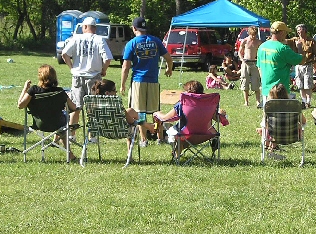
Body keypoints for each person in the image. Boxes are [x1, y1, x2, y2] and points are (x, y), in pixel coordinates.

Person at [120, 17, 173, 146]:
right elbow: (168, 58)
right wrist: (169, 69)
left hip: (138, 81)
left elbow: (126, 67)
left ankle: (144, 140)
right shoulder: (155, 41)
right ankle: (160, 138)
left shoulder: (132, 43)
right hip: (153, 81)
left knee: (139, 111)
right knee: (155, 110)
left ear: (134, 28)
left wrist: (122, 84)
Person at [62, 16, 113, 141]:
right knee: (93, 107)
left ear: (84, 27)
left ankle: (71, 135)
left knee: (75, 107)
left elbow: (64, 54)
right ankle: (93, 136)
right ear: (95, 28)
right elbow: (108, 58)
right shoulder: (99, 40)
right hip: (94, 77)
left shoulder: (76, 38)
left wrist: (71, 68)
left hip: (77, 77)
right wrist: (103, 70)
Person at [18, 64, 78, 161]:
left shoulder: (33, 90)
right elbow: (73, 108)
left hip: (40, 124)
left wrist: (25, 89)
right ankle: (68, 152)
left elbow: (20, 105)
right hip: (57, 123)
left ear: (40, 76)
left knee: (61, 121)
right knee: (64, 120)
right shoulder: (59, 92)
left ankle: (57, 142)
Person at [153, 80, 226, 155]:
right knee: (179, 133)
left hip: (185, 134)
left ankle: (177, 154)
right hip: (206, 134)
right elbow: (216, 117)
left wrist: (157, 114)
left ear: (188, 92)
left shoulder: (182, 103)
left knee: (172, 131)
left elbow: (166, 118)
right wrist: (221, 113)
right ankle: (179, 150)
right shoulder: (209, 103)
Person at [91, 79, 156, 149]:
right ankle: (130, 153)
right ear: (107, 93)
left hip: (101, 131)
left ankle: (149, 126)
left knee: (130, 113)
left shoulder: (94, 105)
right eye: (114, 90)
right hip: (118, 131)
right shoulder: (115, 105)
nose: (116, 93)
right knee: (131, 114)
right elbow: (131, 121)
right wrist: (143, 124)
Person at [257, 21, 303, 107]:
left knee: (267, 115)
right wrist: (299, 47)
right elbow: (300, 60)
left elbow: (259, 67)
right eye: (285, 32)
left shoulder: (262, 47)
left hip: (266, 88)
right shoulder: (283, 48)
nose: (286, 35)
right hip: (280, 90)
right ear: (281, 32)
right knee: (281, 116)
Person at [257, 83, 307, 159]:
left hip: (273, 136)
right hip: (293, 136)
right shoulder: (294, 105)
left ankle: (270, 147)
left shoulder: (269, 107)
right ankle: (272, 148)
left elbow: (264, 122)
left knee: (266, 126)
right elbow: (303, 121)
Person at [290, 24, 316, 109]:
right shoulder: (295, 40)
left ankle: (308, 101)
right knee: (300, 84)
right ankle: (303, 101)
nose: (298, 32)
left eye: (300, 30)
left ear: (304, 30)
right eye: (297, 30)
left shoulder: (311, 41)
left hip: (308, 65)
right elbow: (285, 41)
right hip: (298, 65)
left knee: (308, 84)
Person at [238, 26, 262, 107]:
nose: (253, 36)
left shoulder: (259, 42)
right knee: (245, 81)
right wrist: (242, 59)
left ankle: (258, 102)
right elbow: (239, 52)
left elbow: (261, 53)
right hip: (246, 63)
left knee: (256, 82)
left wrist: (258, 60)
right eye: (252, 35)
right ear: (249, 33)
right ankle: (246, 102)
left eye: (255, 35)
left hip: (255, 63)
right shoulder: (245, 41)